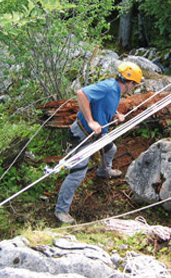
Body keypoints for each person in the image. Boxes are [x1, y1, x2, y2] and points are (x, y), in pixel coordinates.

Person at [55, 62, 143, 224]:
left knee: (111, 149)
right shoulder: (109, 87)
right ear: (130, 82)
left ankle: (103, 172)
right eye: (135, 84)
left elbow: (102, 104)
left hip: (98, 135)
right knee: (78, 173)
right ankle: (61, 210)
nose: (134, 87)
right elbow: (81, 93)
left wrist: (116, 115)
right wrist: (90, 121)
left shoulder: (116, 90)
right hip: (82, 134)